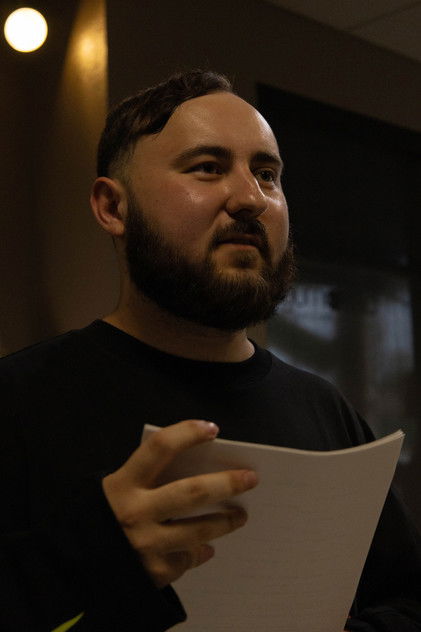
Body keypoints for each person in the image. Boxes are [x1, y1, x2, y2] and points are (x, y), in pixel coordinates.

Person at [0, 69, 420, 632]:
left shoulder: (324, 410)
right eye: (207, 167)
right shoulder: (19, 400)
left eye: (267, 175)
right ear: (113, 208)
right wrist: (87, 553)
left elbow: (408, 598)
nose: (250, 198)